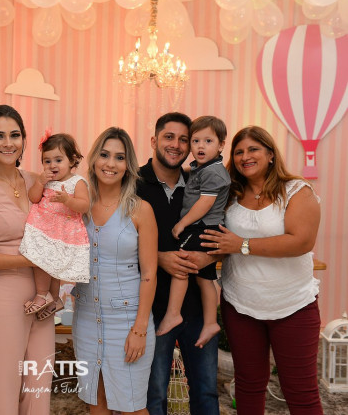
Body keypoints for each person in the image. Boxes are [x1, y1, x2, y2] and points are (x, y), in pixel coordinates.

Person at [200, 126, 323, 414]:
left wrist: (241, 244)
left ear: (270, 154)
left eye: (253, 149)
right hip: (240, 305)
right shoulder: (228, 194)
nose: (245, 156)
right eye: (239, 152)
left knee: (301, 391)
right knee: (248, 384)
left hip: (293, 305)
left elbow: (301, 242)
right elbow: (218, 239)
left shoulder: (296, 190)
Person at [0, 105, 54, 415]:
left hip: (43, 295)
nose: (8, 143)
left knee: (39, 387)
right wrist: (30, 260)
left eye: (14, 135)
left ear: (24, 139)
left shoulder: (36, 180)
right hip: (3, 294)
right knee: (4, 388)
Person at [137, 112, 220, 415]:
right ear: (154, 140)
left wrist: (209, 256)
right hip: (152, 309)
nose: (176, 145)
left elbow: (224, 234)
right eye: (169, 137)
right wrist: (160, 258)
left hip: (197, 307)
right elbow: (116, 243)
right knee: (154, 394)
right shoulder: (132, 183)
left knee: (206, 391)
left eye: (184, 139)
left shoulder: (201, 182)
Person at [72, 127, 158, 414]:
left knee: (133, 407)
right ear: (94, 159)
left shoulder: (140, 210)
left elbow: (149, 274)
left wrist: (140, 329)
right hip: (85, 318)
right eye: (105, 155)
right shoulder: (78, 206)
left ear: (128, 165)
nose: (110, 163)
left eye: (119, 158)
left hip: (128, 321)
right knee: (96, 402)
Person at [157, 116, 230, 347]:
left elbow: (204, 203)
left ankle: (173, 313)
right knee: (205, 278)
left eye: (208, 141)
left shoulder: (213, 172)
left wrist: (182, 223)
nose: (200, 146)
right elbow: (191, 171)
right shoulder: (204, 168)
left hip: (201, 226)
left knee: (182, 265)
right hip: (208, 226)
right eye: (196, 141)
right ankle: (211, 322)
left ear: (221, 145)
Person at [19, 132, 90, 320]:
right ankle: (54, 299)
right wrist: (39, 182)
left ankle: (42, 295)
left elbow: (84, 205)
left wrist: (68, 200)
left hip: (63, 229)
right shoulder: (46, 180)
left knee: (50, 264)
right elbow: (34, 198)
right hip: (44, 227)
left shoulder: (77, 182)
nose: (52, 165)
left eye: (58, 160)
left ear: (72, 160)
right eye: (47, 161)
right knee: (44, 261)